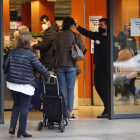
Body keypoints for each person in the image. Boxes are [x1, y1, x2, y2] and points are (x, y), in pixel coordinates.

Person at [3, 32, 50, 138]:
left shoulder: (12, 52)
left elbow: (5, 67)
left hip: (13, 84)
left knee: (16, 104)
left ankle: (12, 127)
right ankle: (21, 131)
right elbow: (40, 68)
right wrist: (48, 75)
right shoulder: (31, 55)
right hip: (26, 84)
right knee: (25, 106)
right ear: (28, 42)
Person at [75, 18, 119, 118]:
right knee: (98, 88)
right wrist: (77, 26)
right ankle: (107, 109)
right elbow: (86, 33)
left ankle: (108, 110)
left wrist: (109, 66)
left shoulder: (112, 38)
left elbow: (115, 54)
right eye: (99, 25)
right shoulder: (97, 36)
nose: (99, 27)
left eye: (101, 25)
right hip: (98, 67)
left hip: (106, 68)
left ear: (107, 26)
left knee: (104, 88)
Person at [52, 17, 87, 120]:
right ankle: (70, 113)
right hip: (71, 65)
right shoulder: (76, 35)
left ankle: (62, 113)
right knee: (70, 89)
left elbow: (54, 52)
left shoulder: (57, 35)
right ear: (72, 25)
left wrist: (53, 66)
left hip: (59, 65)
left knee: (61, 89)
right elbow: (83, 50)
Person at [116, 37, 138, 105]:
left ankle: (129, 100)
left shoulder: (124, 51)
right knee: (129, 86)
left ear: (120, 43)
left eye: (118, 44)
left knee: (129, 86)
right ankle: (132, 100)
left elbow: (116, 59)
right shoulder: (129, 49)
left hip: (128, 72)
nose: (118, 45)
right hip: (132, 71)